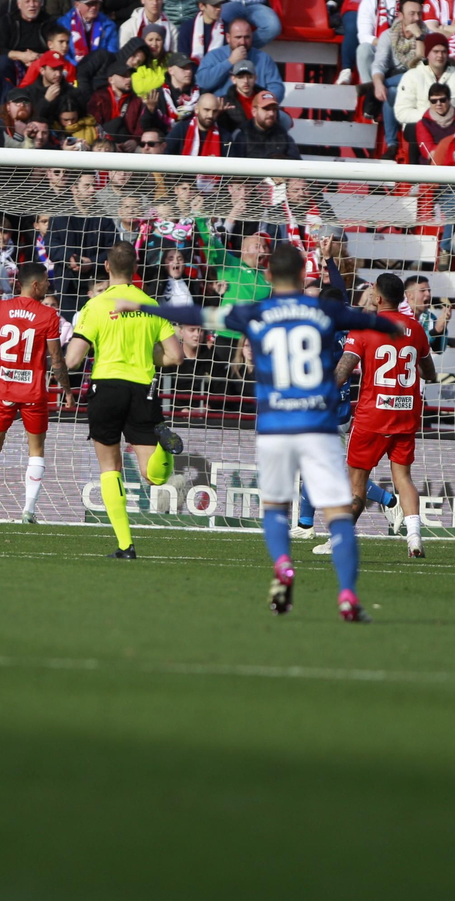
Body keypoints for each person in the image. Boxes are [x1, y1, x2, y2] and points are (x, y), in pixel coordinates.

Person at [126, 243, 403, 620]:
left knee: (275, 506)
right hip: (318, 424)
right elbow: (377, 322)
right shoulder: (323, 310)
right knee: (338, 513)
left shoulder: (255, 313)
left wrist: (144, 306)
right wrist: (392, 323)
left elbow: (196, 313)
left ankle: (284, 565)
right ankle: (348, 598)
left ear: (268, 276)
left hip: (275, 425)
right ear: (305, 273)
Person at [60, 241, 185, 559]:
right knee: (155, 476)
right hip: (142, 390)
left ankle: (125, 546)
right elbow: (176, 357)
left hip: (106, 388)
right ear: (135, 270)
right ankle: (165, 447)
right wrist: (150, 353)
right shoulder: (150, 304)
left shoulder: (96, 306)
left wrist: (55, 369)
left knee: (109, 467)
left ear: (106, 267)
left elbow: (73, 359)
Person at [334, 272, 436, 561]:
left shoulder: (364, 327)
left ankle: (338, 541)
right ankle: (414, 536)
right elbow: (430, 373)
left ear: (378, 298)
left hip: (372, 416)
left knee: (356, 484)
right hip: (406, 413)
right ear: (402, 297)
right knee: (403, 477)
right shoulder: (416, 329)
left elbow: (342, 372)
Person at [0, 263, 73, 523]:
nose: (48, 285)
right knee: (36, 451)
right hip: (33, 393)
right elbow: (56, 359)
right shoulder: (49, 315)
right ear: (35, 285)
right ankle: (29, 511)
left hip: (3, 390)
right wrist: (66, 389)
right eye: (45, 281)